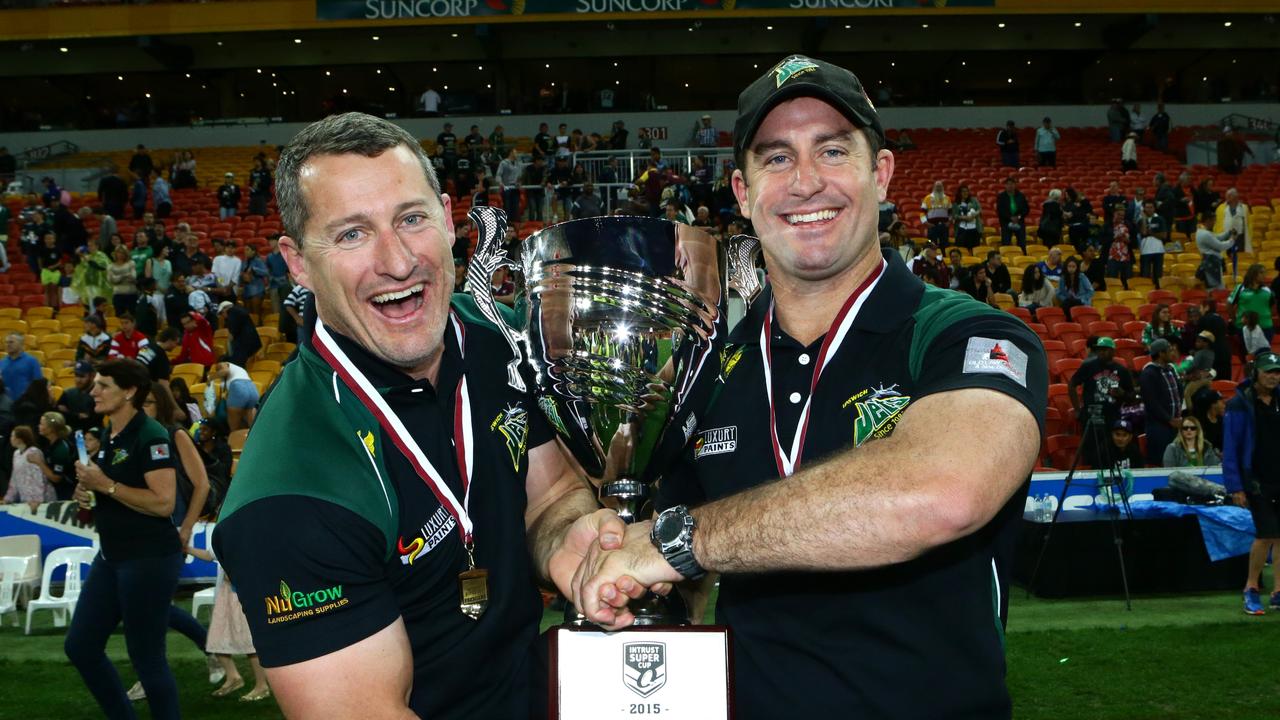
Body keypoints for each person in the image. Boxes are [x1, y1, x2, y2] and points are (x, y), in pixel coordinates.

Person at [571, 57, 1046, 719]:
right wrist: (626, 584)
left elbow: (945, 492)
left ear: (880, 173)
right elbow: (676, 581)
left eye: (832, 150)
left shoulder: (965, 336)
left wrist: (679, 542)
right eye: (777, 159)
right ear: (741, 190)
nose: (806, 183)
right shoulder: (705, 368)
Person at [211, 112, 626, 718]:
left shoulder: (497, 342)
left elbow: (551, 489)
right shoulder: (290, 492)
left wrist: (566, 537)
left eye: (411, 219)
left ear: (449, 219)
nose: (399, 262)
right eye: (352, 234)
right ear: (298, 263)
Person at [65, 359, 182, 719]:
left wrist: (107, 485)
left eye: (103, 385)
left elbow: (163, 503)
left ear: (129, 391)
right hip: (114, 555)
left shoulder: (151, 435)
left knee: (147, 658)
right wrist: (89, 495)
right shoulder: (110, 435)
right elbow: (113, 493)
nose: (93, 391)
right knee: (81, 646)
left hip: (148, 558)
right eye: (95, 384)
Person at [126, 381, 220, 704]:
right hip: (140, 532)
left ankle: (151, 675)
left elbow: (202, 484)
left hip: (169, 531)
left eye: (150, 402)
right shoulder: (135, 436)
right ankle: (209, 649)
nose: (144, 408)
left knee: (148, 607)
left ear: (162, 405)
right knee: (149, 608)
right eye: (141, 402)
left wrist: (186, 527)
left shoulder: (175, 434)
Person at [1222, 351, 1280, 615]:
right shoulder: (1240, 404)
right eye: (1268, 371)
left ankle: (1278, 592)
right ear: (1256, 372)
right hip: (1256, 480)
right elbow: (1231, 447)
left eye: (1277, 372)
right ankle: (1251, 588)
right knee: (1265, 534)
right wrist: (1236, 486)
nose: (1273, 376)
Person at [1069, 337, 1134, 467]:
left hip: (1112, 418)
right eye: (1099, 350)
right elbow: (1072, 384)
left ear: (1112, 351)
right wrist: (1077, 409)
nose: (1101, 352)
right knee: (1091, 455)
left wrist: (1122, 394)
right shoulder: (1088, 366)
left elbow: (1132, 396)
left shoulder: (1122, 370)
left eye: (1104, 350)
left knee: (1109, 454)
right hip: (1091, 417)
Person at [1139, 339, 1183, 467]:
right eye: (1169, 350)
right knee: (1160, 462)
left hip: (1175, 423)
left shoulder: (1171, 369)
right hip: (1158, 426)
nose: (1173, 353)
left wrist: (1178, 417)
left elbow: (1179, 392)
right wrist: (1168, 419)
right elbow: (1151, 402)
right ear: (1161, 353)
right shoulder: (1148, 373)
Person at [4, 425, 53, 512]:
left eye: (12, 436)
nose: (10, 438)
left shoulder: (33, 452)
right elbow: (14, 478)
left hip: (41, 501)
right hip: (26, 500)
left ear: (20, 439)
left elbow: (38, 477)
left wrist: (37, 499)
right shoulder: (16, 454)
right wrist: (8, 499)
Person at [204, 360, 259, 432]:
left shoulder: (223, 364)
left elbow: (225, 371)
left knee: (234, 428)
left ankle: (234, 440)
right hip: (253, 389)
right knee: (251, 426)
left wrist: (211, 377)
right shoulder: (239, 371)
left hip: (239, 387)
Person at [33, 411, 76, 501]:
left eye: (41, 424)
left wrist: (39, 462)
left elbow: (56, 478)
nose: (39, 426)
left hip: (67, 492)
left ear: (51, 429)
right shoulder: (51, 444)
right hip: (57, 490)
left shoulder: (61, 449)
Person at [1229, 264, 1274, 345]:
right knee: (1247, 355)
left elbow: (1273, 305)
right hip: (1245, 327)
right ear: (1253, 274)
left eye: (1265, 273)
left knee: (1264, 354)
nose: (1264, 275)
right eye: (1261, 273)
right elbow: (1229, 304)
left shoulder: (1267, 290)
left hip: (1265, 327)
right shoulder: (1240, 288)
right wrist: (1233, 319)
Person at [1195, 211, 1237, 290]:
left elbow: (1216, 237)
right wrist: (1232, 240)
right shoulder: (1204, 234)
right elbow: (1220, 246)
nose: (1214, 223)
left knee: (1218, 287)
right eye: (1213, 220)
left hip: (1213, 263)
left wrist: (1228, 233)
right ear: (1208, 220)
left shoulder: (1202, 232)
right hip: (1211, 264)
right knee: (1215, 289)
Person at [216, 302, 262, 368]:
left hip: (245, 345)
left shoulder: (231, 312)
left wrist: (229, 350)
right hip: (253, 344)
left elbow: (232, 334)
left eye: (221, 313)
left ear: (225, 309)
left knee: (234, 365)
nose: (222, 316)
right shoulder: (240, 310)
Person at [58, 361, 100, 432]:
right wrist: (78, 416)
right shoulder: (68, 393)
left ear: (92, 376)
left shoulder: (98, 395)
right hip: (70, 433)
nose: (78, 380)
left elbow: (91, 421)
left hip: (91, 435)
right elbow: (59, 415)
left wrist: (69, 414)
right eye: (76, 375)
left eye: (82, 376)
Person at [1, 333, 43, 399]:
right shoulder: (2, 362)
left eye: (11, 342)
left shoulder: (32, 361)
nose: (8, 345)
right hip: (6, 404)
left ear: (21, 344)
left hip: (24, 403)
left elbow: (38, 384)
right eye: (6, 342)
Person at [1137, 200, 1167, 288]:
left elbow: (1164, 235)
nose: (1149, 209)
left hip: (1158, 250)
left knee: (1158, 275)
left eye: (1151, 207)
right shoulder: (1140, 220)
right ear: (1143, 208)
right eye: (1147, 207)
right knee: (1145, 275)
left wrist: (1151, 233)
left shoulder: (1160, 219)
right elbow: (1143, 232)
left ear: (1154, 208)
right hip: (1145, 250)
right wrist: (1143, 218)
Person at [996, 176, 1029, 250]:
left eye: (1012, 184)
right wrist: (1010, 217)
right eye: (1008, 184)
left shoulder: (1021, 196)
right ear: (1005, 185)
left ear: (1015, 185)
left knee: (1022, 243)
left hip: (1019, 221)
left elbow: (1026, 209)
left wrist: (1019, 217)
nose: (1010, 186)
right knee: (1006, 243)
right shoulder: (1001, 197)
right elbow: (1000, 210)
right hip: (1006, 223)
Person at [1055, 256, 1093, 320]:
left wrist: (1081, 299)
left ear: (1077, 267)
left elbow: (1090, 291)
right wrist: (1065, 299)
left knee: (1071, 304)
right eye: (1069, 266)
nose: (1071, 269)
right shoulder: (1063, 278)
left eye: (1073, 266)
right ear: (1066, 267)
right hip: (1068, 302)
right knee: (1067, 303)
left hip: (1081, 301)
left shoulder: (1082, 277)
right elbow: (1059, 293)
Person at [1106, 208, 1134, 291]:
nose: (1121, 217)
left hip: (1125, 257)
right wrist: (1114, 237)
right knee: (1112, 280)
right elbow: (1103, 240)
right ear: (1114, 214)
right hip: (1112, 256)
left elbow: (1133, 241)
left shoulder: (1128, 225)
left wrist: (1126, 240)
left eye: (1122, 215)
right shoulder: (1107, 225)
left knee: (1127, 280)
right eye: (1119, 214)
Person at [109, 246, 139, 317]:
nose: (120, 254)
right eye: (118, 252)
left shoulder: (131, 263)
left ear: (126, 253)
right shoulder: (111, 266)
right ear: (115, 254)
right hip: (118, 295)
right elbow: (112, 280)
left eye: (122, 252)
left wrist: (118, 277)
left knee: (133, 316)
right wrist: (124, 275)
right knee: (119, 317)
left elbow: (133, 277)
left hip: (131, 294)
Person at [919, 180, 951, 248]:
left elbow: (951, 212)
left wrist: (949, 222)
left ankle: (944, 257)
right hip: (932, 225)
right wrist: (925, 222)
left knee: (945, 243)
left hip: (944, 226)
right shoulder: (927, 198)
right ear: (934, 187)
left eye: (940, 186)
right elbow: (922, 212)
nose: (939, 188)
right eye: (937, 186)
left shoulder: (947, 198)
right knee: (931, 243)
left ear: (943, 187)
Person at [952, 185, 981, 250]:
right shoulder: (956, 203)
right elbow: (954, 215)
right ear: (959, 193)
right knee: (961, 249)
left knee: (974, 249)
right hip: (961, 229)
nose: (965, 193)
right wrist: (963, 218)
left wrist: (973, 215)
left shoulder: (974, 200)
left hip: (974, 229)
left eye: (967, 191)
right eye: (963, 191)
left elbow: (979, 210)